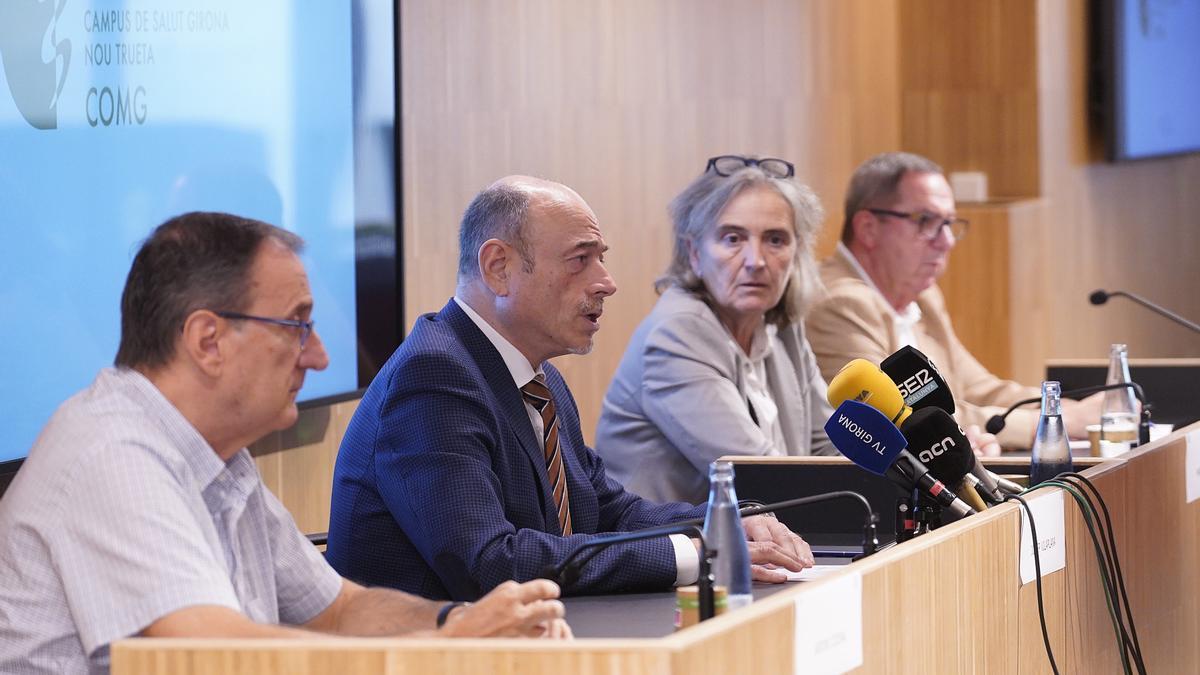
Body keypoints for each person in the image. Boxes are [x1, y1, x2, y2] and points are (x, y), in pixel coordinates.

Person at [0, 213, 569, 675]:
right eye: (297, 326)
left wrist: (460, 623)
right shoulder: (112, 455)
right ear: (208, 341)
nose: (320, 356)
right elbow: (209, 656)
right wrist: (446, 650)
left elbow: (342, 610)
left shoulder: (218, 456)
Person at [326, 176, 815, 601]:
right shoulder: (434, 378)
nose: (607, 283)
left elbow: (604, 509)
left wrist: (723, 523)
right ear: (499, 267)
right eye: (581, 260)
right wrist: (692, 554)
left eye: (600, 259)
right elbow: (492, 564)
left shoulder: (539, 378)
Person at [805, 152, 1102, 449]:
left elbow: (981, 389)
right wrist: (1054, 421)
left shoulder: (922, 296)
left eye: (948, 223)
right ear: (868, 228)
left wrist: (1066, 409)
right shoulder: (839, 304)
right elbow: (906, 418)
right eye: (926, 221)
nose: (946, 240)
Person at [594, 155, 837, 504]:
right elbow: (763, 477)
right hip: (677, 552)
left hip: (769, 539)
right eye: (733, 239)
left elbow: (830, 446)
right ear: (694, 253)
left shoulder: (782, 328)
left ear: (796, 252)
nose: (756, 261)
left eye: (775, 240)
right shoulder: (676, 334)